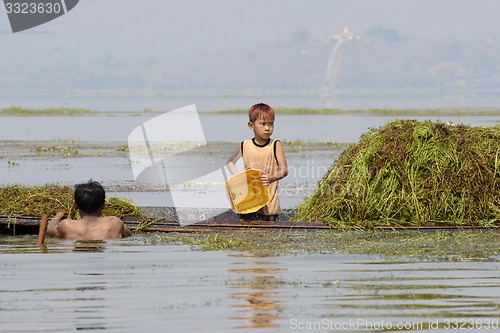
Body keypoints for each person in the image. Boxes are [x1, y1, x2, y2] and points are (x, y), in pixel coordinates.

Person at [227, 103, 288, 221]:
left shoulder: (275, 145)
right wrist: (238, 177)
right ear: (251, 125)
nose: (267, 128)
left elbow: (284, 171)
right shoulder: (244, 145)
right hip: (249, 201)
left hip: (269, 204)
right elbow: (230, 162)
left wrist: (272, 178)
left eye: (271, 123)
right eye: (263, 124)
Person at [47, 180, 131, 240]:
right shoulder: (115, 223)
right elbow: (128, 235)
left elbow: (49, 231)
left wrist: (59, 215)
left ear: (75, 204)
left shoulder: (67, 225)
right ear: (103, 205)